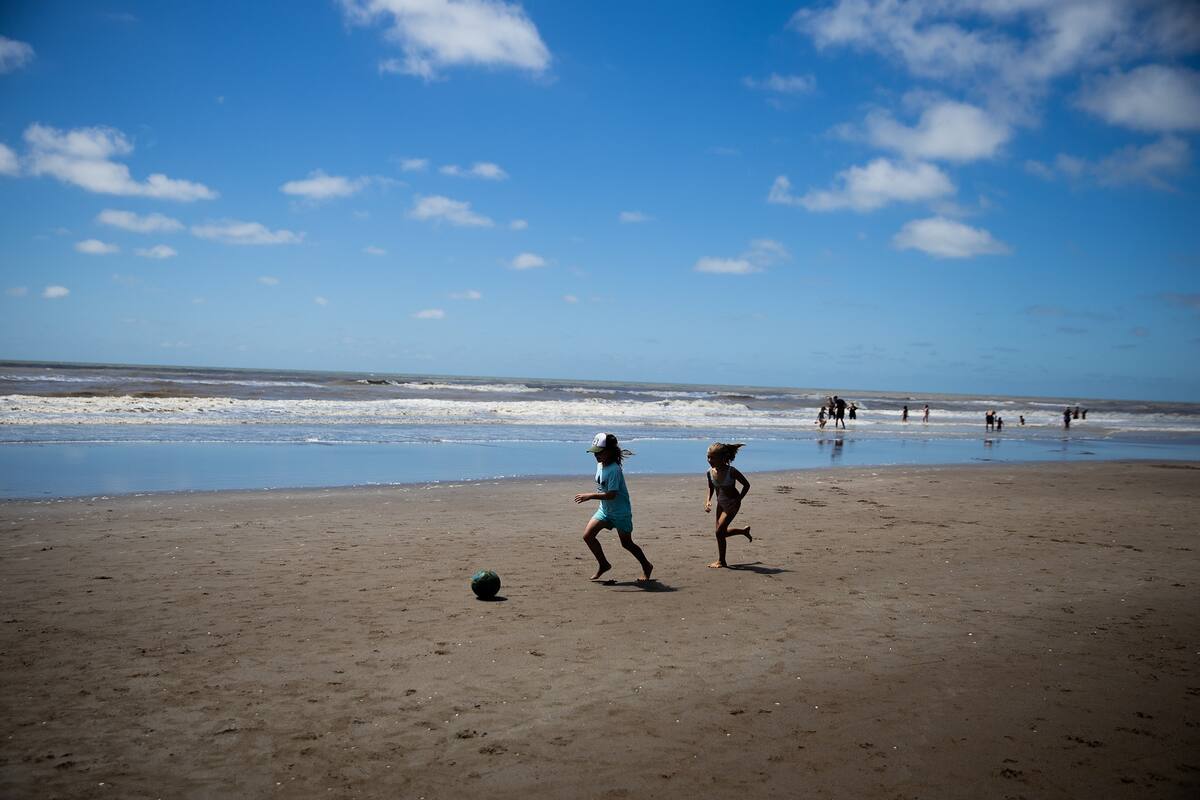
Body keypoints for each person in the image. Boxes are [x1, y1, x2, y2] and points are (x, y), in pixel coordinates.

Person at [575, 433, 653, 582]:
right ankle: (604, 564)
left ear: (610, 451)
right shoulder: (600, 465)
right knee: (588, 536)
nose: (596, 455)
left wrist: (590, 496)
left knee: (626, 543)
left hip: (620, 512)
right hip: (604, 511)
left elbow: (611, 494)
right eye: (595, 452)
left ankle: (646, 565)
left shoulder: (615, 470)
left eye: (600, 452)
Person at [704, 442, 752, 568]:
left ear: (723, 458)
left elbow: (747, 485)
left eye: (713, 457)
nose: (710, 460)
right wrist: (708, 500)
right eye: (708, 457)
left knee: (719, 532)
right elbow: (711, 487)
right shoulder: (709, 472)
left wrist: (739, 499)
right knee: (720, 532)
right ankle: (743, 531)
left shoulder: (732, 471)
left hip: (732, 503)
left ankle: (721, 561)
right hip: (720, 503)